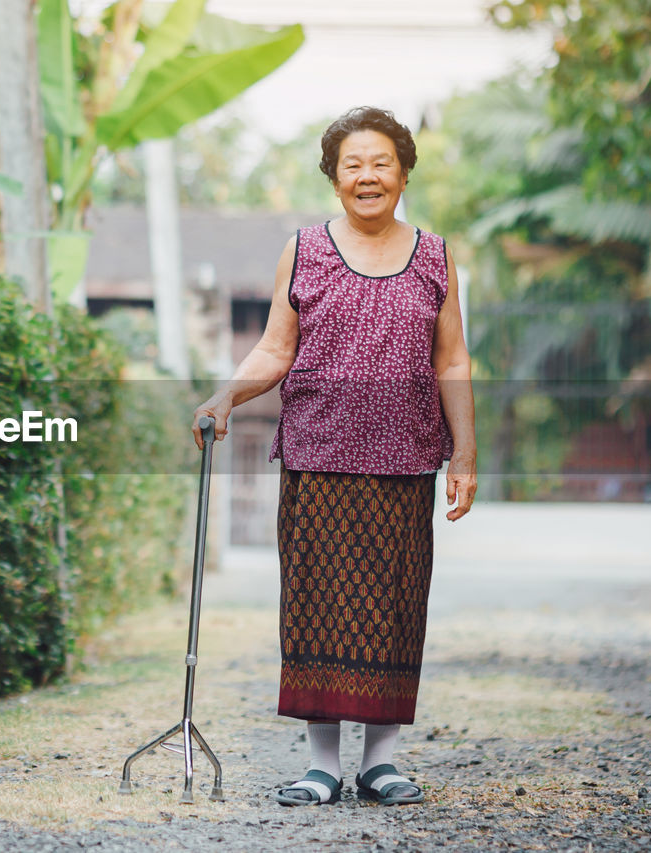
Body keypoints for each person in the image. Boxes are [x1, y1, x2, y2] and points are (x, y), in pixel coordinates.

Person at [192, 106, 477, 807]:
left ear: (404, 172)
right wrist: (226, 396)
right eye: (353, 164)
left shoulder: (436, 256)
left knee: (394, 608)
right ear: (334, 177)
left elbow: (452, 358)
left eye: (381, 162)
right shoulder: (306, 249)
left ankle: (381, 762)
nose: (368, 176)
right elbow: (275, 348)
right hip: (318, 457)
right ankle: (322, 764)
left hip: (406, 461)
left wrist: (465, 451)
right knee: (317, 607)